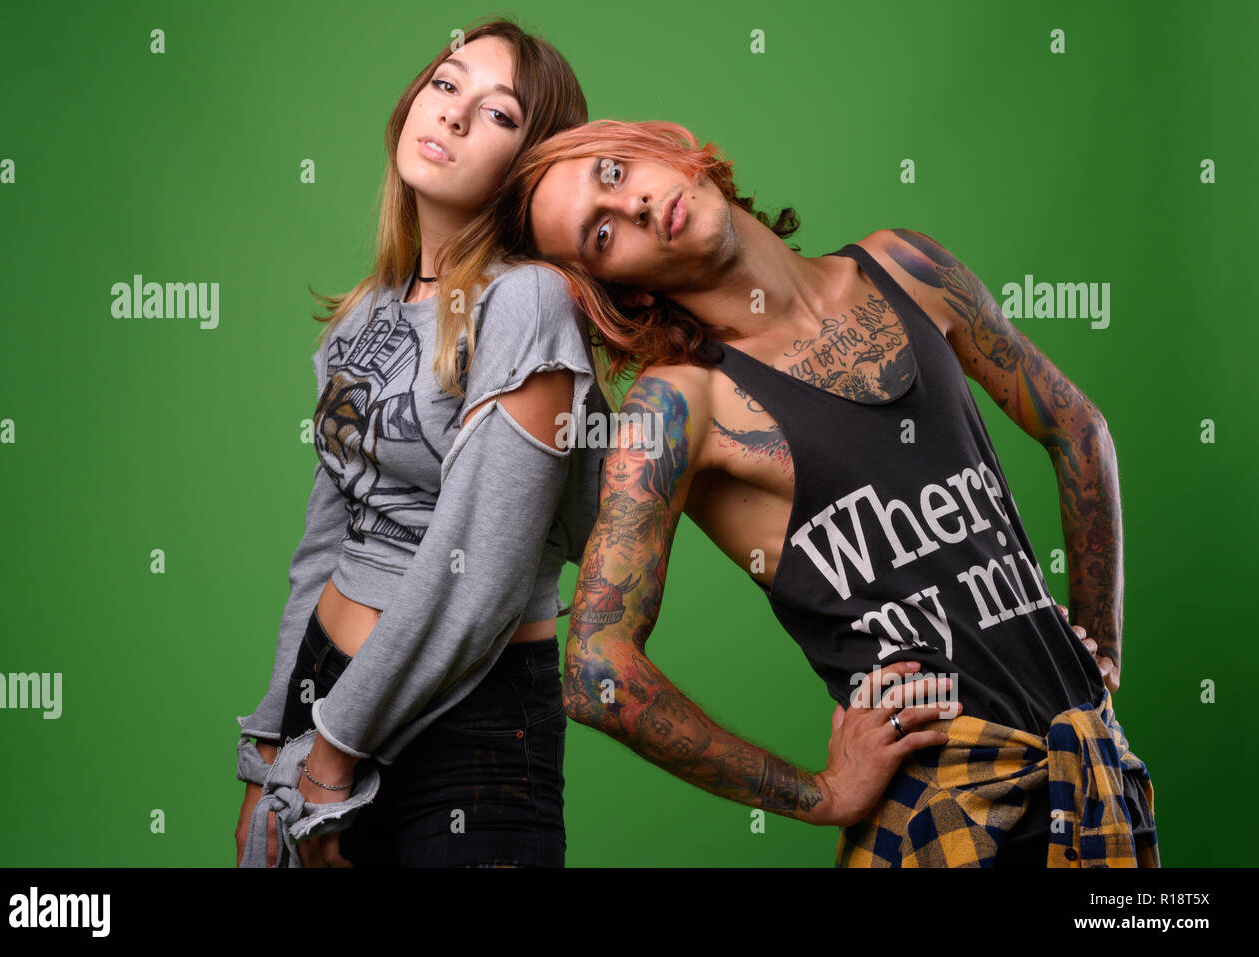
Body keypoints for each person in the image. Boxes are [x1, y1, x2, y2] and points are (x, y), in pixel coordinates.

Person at [494, 119, 1159, 866]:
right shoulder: (679, 405)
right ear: (623, 288)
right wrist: (820, 793)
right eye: (602, 236)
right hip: (946, 816)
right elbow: (595, 670)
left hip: (1094, 775)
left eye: (613, 174)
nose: (634, 209)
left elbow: (1079, 430)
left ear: (666, 145)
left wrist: (1098, 656)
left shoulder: (908, 266)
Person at [232, 17, 603, 868]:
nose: (455, 116)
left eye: (499, 113)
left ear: (530, 162)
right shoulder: (367, 309)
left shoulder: (529, 302)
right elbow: (326, 539)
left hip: (465, 721)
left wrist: (329, 761)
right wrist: (268, 739)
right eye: (446, 84)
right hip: (323, 695)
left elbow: (482, 574)